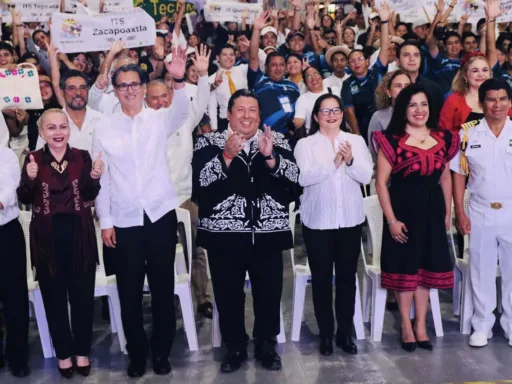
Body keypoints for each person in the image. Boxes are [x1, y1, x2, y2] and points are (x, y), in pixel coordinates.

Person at [93, 48, 189, 378]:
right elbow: (101, 179)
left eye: (135, 84)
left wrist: (177, 79)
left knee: (163, 289)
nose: (130, 90)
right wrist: (106, 221)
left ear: (144, 87)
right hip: (123, 221)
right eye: (123, 85)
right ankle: (137, 353)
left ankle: (161, 352)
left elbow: (181, 112)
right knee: (129, 292)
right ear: (115, 90)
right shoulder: (104, 128)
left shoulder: (159, 118)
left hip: (160, 216)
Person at [192, 89, 300, 373]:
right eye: (240, 110)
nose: (247, 116)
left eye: (252, 110)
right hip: (223, 236)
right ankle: (235, 346)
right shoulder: (208, 141)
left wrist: (271, 158)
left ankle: (266, 344)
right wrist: (226, 156)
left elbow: (295, 180)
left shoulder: (277, 140)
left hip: (268, 233)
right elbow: (200, 184)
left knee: (269, 291)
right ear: (228, 114)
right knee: (228, 293)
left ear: (260, 115)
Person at [17, 109, 103, 378]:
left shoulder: (82, 156)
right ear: (41, 132)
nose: (58, 133)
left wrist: (96, 176)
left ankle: (82, 352)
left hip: (80, 234)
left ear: (69, 130)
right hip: (47, 236)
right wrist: (29, 178)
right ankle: (63, 354)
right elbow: (25, 197)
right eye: (51, 128)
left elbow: (89, 193)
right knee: (54, 299)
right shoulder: (32, 159)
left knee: (82, 299)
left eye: (62, 127)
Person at [372, 83, 459, 352]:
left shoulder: (444, 138)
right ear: (403, 109)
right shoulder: (391, 139)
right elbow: (381, 183)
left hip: (432, 211)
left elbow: (445, 177)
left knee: (426, 271)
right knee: (405, 271)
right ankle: (406, 326)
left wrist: (447, 212)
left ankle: (421, 324)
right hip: (403, 211)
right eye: (412, 105)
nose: (419, 110)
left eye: (423, 104)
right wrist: (391, 220)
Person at [294, 94, 372, 356]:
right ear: (316, 116)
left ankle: (344, 333)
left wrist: (349, 160)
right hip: (318, 222)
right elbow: (304, 178)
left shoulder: (357, 141)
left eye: (336, 110)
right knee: (322, 280)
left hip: (349, 220)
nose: (331, 115)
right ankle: (326, 334)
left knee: (348, 279)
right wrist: (334, 163)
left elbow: (365, 175)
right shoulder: (305, 144)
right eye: (325, 111)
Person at [146, 45, 214, 319]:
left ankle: (202, 298)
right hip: (154, 203)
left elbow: (201, 101)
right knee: (160, 256)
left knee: (197, 251)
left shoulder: (184, 121)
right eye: (155, 98)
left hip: (185, 198)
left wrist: (204, 74)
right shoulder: (143, 127)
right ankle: (167, 300)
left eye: (165, 96)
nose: (161, 102)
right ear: (145, 100)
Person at [451, 78, 512, 347]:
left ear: (509, 102)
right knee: (480, 269)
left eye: (502, 99)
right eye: (491, 99)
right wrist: (459, 213)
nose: (496, 105)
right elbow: (458, 175)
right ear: (482, 102)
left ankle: (511, 325)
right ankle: (482, 325)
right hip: (479, 210)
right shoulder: (468, 135)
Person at [0, 146, 30, 378]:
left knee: (15, 298)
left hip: (5, 233)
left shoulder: (5, 155)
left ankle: (17, 356)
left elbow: (10, 192)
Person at [342, 1, 390, 142]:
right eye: (352, 60)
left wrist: (385, 21)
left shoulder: (377, 71)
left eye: (360, 58)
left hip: (387, 127)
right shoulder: (347, 84)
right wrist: (358, 138)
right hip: (363, 131)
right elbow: (349, 112)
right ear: (348, 66)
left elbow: (385, 47)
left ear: (368, 61)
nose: (356, 62)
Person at [249, 13, 300, 135]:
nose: (278, 68)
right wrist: (256, 30)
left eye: (281, 64)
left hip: (290, 137)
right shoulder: (258, 80)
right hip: (265, 137)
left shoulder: (293, 86)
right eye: (273, 65)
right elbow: (253, 57)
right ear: (266, 67)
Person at [368, 70, 412, 162]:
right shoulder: (378, 117)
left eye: (407, 86)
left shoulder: (419, 114)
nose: (403, 89)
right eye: (398, 86)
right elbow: (374, 152)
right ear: (388, 92)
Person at [208, 44, 248, 132]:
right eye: (225, 55)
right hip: (225, 121)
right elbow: (212, 105)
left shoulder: (243, 70)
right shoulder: (212, 79)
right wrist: (214, 127)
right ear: (218, 58)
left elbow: (259, 61)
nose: (229, 57)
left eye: (231, 54)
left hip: (246, 117)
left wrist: (247, 49)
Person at [293, 66, 340, 134]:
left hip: (337, 134)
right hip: (315, 137)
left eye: (316, 74)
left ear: (321, 76)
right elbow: (299, 120)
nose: (313, 79)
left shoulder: (334, 90)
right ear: (305, 82)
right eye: (309, 77)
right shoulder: (302, 99)